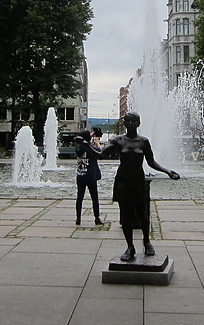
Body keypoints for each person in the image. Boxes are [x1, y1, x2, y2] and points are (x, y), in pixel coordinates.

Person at [94, 111, 180, 261]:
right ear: (124, 123)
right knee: (126, 215)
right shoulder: (118, 141)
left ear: (139, 123)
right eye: (129, 121)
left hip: (138, 181)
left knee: (143, 214)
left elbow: (151, 162)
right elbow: (101, 155)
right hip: (123, 181)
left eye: (134, 121)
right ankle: (130, 247)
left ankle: (147, 241)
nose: (131, 124)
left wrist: (167, 171)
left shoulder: (143, 142)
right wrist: (85, 146)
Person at [74, 130, 103, 226]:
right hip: (91, 176)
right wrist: (97, 141)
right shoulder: (91, 149)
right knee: (94, 197)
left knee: (80, 197)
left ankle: (78, 218)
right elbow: (100, 151)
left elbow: (83, 143)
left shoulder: (78, 149)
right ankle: (97, 217)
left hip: (81, 175)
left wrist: (88, 137)